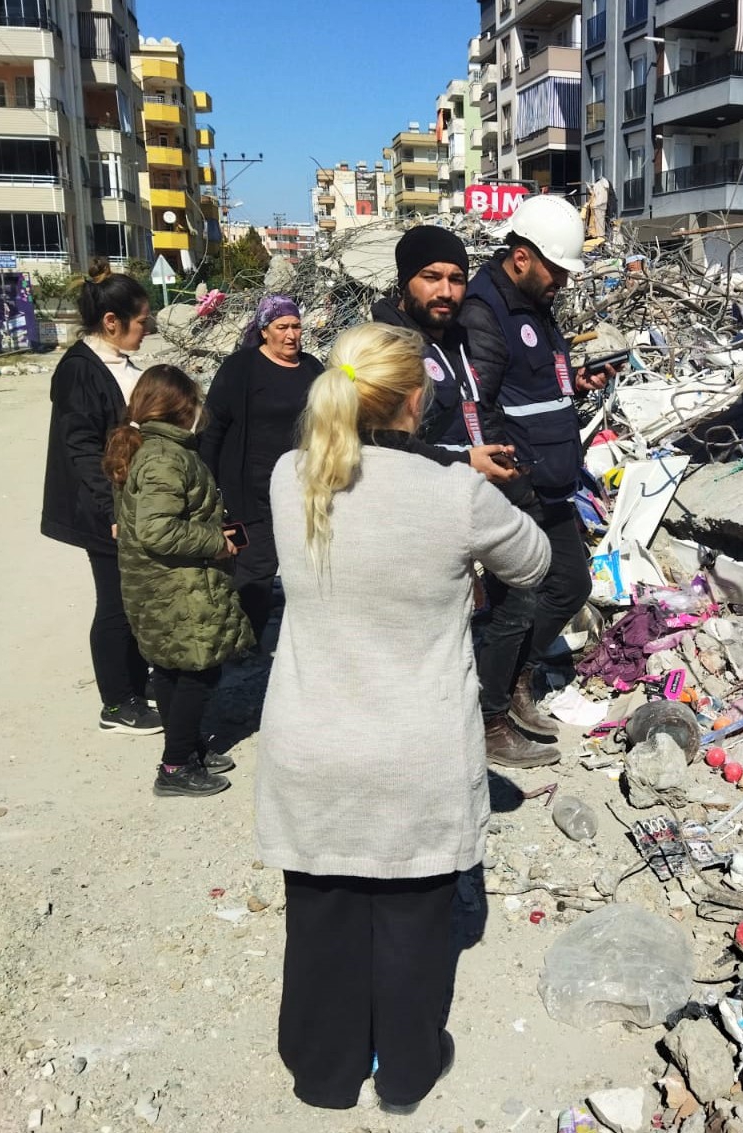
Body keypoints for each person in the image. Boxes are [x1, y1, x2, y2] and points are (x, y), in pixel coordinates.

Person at [255, 322, 550, 1113]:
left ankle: (324, 1072)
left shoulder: (293, 476)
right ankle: (408, 1071)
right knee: (417, 921)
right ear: (417, 399)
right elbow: (534, 561)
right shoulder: (455, 493)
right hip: (413, 752)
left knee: (320, 915)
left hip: (310, 746)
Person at [460, 194, 613, 767]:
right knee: (518, 602)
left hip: (550, 482)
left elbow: (533, 384)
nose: (565, 283)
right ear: (521, 257)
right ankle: (487, 714)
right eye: (557, 269)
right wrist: (515, 482)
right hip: (517, 488)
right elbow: (483, 405)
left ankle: (514, 685)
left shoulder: (533, 304)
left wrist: (578, 378)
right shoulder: (485, 312)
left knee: (567, 587)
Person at [103, 366, 255, 797]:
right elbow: (157, 529)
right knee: (197, 672)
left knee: (171, 667)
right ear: (177, 407)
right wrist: (216, 542)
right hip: (176, 585)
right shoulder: (164, 458)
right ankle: (174, 767)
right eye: (193, 403)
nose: (199, 411)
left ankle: (184, 748)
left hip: (161, 584)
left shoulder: (147, 448)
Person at [41, 257, 162, 734]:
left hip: (127, 503)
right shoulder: (80, 371)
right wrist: (109, 510)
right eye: (141, 321)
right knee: (115, 602)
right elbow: (81, 449)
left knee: (135, 598)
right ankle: (116, 704)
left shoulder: (116, 361)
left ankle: (134, 681)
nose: (146, 328)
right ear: (111, 322)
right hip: (104, 510)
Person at [199, 294, 324, 642]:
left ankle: (305, 637)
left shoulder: (313, 368)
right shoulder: (241, 368)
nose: (291, 334)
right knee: (256, 566)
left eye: (296, 326)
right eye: (281, 327)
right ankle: (242, 639)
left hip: (302, 490)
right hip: (248, 490)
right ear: (264, 330)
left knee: (307, 564)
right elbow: (213, 427)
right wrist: (207, 485)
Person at [371, 225, 519, 485]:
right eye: (431, 277)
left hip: (476, 496)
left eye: (456, 279)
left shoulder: (465, 339)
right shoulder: (384, 349)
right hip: (424, 502)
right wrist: (464, 463)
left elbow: (484, 409)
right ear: (404, 281)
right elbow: (379, 445)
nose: (446, 292)